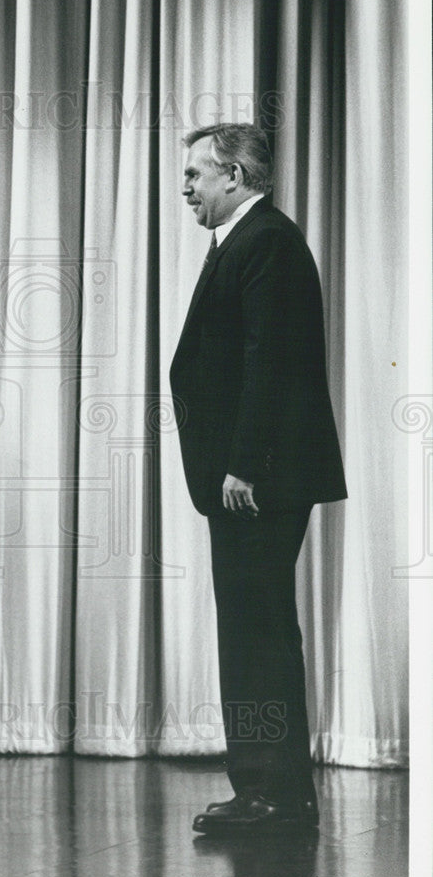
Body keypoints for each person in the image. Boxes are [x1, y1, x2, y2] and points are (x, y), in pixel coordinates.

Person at [169, 123, 346, 833]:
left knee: (258, 629)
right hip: (249, 476)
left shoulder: (265, 240)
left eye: (194, 175)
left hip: (257, 477)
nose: (185, 187)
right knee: (254, 626)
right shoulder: (247, 240)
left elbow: (272, 360)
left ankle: (272, 793)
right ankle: (270, 791)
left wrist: (243, 462)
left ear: (235, 176)